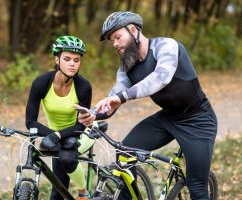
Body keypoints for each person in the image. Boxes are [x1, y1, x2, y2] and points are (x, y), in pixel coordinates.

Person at [78, 11, 217, 200]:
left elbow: (161, 78)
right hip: (169, 117)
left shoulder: (166, 46)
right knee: (125, 152)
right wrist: (94, 113)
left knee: (197, 187)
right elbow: (115, 96)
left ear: (133, 30)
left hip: (198, 120)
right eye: (112, 40)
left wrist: (122, 97)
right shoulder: (127, 63)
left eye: (117, 37)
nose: (115, 44)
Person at [26, 35, 94, 200]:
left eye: (76, 60)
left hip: (82, 132)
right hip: (59, 136)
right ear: (57, 60)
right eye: (67, 59)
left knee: (67, 157)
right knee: (57, 191)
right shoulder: (41, 83)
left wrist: (56, 136)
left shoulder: (83, 86)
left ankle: (84, 193)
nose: (72, 63)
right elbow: (30, 122)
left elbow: (81, 125)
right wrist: (54, 135)